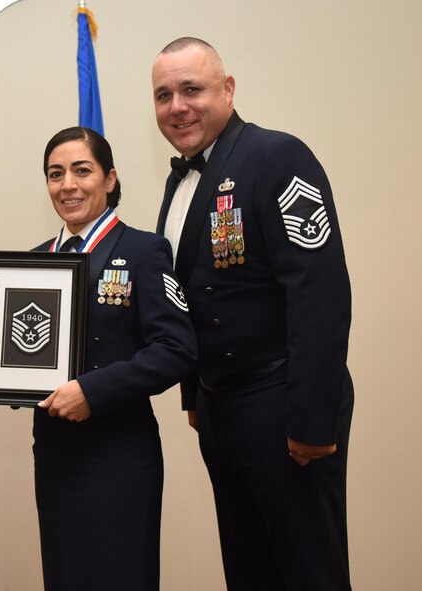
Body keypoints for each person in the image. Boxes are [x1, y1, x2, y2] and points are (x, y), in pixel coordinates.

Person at [151, 37, 354, 590]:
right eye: (164, 95)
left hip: (284, 405)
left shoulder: (277, 156)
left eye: (192, 89)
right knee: (250, 572)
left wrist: (312, 419)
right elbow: (190, 294)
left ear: (228, 89)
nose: (177, 106)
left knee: (309, 572)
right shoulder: (181, 179)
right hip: (223, 410)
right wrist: (195, 395)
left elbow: (319, 293)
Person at [32, 126, 197, 591]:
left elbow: (176, 350)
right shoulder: (34, 261)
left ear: (109, 178)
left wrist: (92, 390)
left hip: (120, 455)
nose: (68, 185)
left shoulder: (144, 251)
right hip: (55, 453)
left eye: (82, 171)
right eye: (55, 174)